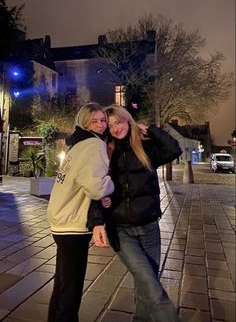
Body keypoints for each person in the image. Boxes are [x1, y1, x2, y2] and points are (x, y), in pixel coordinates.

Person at [89, 105, 182, 322]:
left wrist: (150, 129)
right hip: (121, 230)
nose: (115, 128)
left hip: (149, 226)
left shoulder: (145, 148)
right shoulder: (105, 152)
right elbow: (95, 189)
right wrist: (96, 222)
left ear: (128, 120)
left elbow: (174, 150)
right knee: (150, 283)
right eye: (110, 125)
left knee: (145, 284)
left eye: (118, 122)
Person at [47, 102, 114, 322]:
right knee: (71, 288)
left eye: (103, 120)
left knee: (62, 283)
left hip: (60, 221)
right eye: (94, 120)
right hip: (73, 223)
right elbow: (95, 186)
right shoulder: (94, 145)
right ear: (84, 122)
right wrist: (112, 185)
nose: (101, 124)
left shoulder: (77, 145)